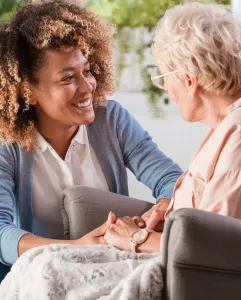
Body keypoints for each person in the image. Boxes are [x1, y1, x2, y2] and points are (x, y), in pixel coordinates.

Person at [0, 0, 183, 271]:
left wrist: (163, 207)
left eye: (86, 71)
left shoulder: (112, 119)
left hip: (108, 270)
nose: (88, 87)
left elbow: (171, 180)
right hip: (36, 277)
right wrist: (77, 249)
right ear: (27, 91)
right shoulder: (7, 142)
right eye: (68, 78)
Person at [103, 2, 241, 253]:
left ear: (188, 81)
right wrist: (175, 214)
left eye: (163, 77)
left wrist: (137, 238)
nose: (165, 88)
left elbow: (215, 249)